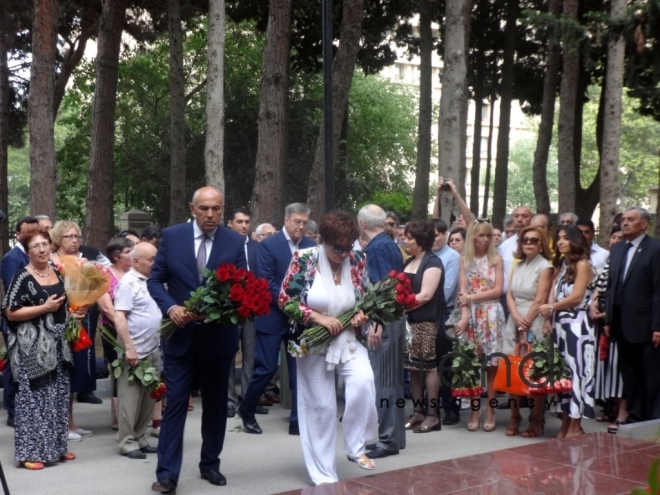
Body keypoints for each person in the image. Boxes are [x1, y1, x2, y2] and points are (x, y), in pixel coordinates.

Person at [147, 187, 247, 492]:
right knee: (175, 404)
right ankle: (166, 475)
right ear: (193, 208)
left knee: (216, 407)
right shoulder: (172, 236)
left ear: (223, 209)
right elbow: (155, 280)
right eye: (204, 208)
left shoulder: (235, 240)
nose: (210, 215)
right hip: (180, 338)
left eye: (216, 209)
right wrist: (171, 307)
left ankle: (210, 464)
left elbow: (242, 286)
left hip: (218, 340)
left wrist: (218, 310)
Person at [280, 210, 377, 484]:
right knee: (321, 407)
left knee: (363, 382)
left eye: (349, 246)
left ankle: (355, 446)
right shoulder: (304, 259)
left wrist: (362, 315)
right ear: (322, 240)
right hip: (313, 341)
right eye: (338, 247)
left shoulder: (358, 259)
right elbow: (285, 299)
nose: (345, 253)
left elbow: (365, 298)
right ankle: (323, 473)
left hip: (347, 338)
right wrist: (317, 317)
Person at [3, 225, 83, 469]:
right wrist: (44, 308)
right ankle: (30, 453)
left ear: (51, 246)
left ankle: (56, 447)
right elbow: (10, 312)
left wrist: (74, 315)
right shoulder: (22, 276)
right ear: (27, 251)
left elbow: (63, 305)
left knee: (57, 397)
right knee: (34, 400)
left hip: (59, 344)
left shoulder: (57, 271)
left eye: (45, 244)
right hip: (31, 349)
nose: (41, 249)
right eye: (35, 246)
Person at [238, 203, 315, 436]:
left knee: (298, 370)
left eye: (304, 222)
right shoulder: (270, 245)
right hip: (273, 317)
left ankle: (297, 419)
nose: (301, 227)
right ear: (286, 220)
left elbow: (313, 279)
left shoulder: (311, 245)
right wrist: (290, 305)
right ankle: (247, 410)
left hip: (300, 321)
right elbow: (267, 282)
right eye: (297, 222)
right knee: (266, 368)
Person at [357, 205, 405, 459]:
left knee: (384, 381)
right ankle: (395, 437)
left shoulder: (376, 248)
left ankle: (388, 441)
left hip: (384, 320)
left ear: (362, 225)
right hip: (394, 318)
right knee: (392, 381)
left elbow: (383, 288)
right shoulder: (389, 243)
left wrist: (376, 323)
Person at [604, 207, 660, 423]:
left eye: (631, 220)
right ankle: (634, 416)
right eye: (624, 220)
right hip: (620, 323)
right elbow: (611, 287)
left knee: (651, 373)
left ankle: (654, 418)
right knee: (628, 372)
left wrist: (657, 326)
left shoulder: (654, 249)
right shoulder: (618, 249)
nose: (625, 223)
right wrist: (609, 319)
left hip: (646, 324)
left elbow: (658, 290)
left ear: (644, 224)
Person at [50, 220, 105, 441]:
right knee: (61, 374)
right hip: (60, 323)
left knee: (73, 373)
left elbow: (95, 287)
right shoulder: (53, 262)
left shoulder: (82, 261)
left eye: (77, 236)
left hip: (80, 320)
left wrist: (85, 304)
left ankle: (71, 422)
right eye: (69, 237)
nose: (75, 241)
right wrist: (69, 309)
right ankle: (61, 425)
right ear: (57, 239)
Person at [539, 224, 596, 437]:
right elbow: (553, 292)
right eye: (559, 238)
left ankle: (575, 424)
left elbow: (577, 296)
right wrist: (548, 318)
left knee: (578, 373)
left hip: (578, 325)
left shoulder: (583, 264)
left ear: (576, 240)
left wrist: (552, 307)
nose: (561, 241)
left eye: (566, 238)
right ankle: (565, 422)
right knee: (562, 374)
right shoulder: (561, 264)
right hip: (560, 324)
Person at [502, 226, 553, 438]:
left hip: (534, 319)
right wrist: (514, 315)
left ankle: (536, 417)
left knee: (534, 371)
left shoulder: (545, 266)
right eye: (525, 240)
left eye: (533, 240)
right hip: (514, 319)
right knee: (511, 370)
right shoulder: (519, 265)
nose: (529, 244)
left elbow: (541, 298)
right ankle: (515, 416)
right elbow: (509, 294)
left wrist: (527, 322)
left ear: (541, 243)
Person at [456, 219, 505, 432]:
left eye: (488, 235)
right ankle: (475, 410)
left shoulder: (496, 259)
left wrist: (471, 297)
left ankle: (491, 409)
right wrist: (465, 316)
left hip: (492, 313)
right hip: (473, 315)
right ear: (472, 237)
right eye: (480, 235)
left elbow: (498, 290)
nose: (485, 239)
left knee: (491, 365)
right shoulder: (464, 260)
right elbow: (462, 293)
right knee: (473, 365)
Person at [114, 242, 161, 460]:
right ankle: (126, 442)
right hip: (134, 352)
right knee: (130, 400)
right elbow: (119, 316)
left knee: (147, 399)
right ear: (135, 261)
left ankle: (140, 438)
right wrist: (129, 348)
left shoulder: (152, 281)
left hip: (152, 348)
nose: (155, 262)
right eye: (151, 259)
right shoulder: (128, 283)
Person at [402, 220, 445, 433]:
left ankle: (432, 414)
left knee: (428, 367)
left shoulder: (432, 262)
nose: (405, 240)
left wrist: (401, 305)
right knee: (413, 368)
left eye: (409, 237)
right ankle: (418, 412)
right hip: (409, 321)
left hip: (426, 321)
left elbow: (426, 295)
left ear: (419, 240)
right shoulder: (409, 260)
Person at [1, 216, 39, 428]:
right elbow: (15, 292)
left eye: (36, 230)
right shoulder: (11, 258)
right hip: (17, 322)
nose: (33, 234)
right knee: (14, 366)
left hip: (39, 322)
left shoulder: (43, 255)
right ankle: (13, 411)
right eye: (28, 232)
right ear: (18, 235)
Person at [97, 237, 135, 430]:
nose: (133, 255)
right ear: (116, 255)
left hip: (138, 331)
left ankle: (137, 417)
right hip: (113, 331)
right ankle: (120, 420)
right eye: (129, 251)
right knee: (119, 373)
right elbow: (108, 309)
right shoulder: (105, 275)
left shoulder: (136, 273)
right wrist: (125, 326)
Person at [225, 207, 260, 419]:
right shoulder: (224, 246)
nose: (244, 225)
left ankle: (248, 400)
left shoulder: (257, 248)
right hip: (229, 309)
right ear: (230, 223)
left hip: (253, 310)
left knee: (251, 355)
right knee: (229, 354)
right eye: (239, 221)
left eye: (247, 221)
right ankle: (229, 401)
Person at [590, 225, 625, 432]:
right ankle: (611, 407)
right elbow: (596, 288)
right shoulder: (608, 263)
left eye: (621, 237)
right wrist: (593, 304)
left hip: (618, 323)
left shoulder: (624, 263)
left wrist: (607, 314)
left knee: (619, 369)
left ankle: (623, 412)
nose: (616, 240)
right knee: (607, 368)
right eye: (613, 237)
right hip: (601, 323)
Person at [431, 218, 461, 425]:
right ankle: (428, 407)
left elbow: (447, 289)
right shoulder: (424, 254)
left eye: (437, 235)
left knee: (445, 363)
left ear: (445, 235)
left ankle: (450, 407)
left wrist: (423, 297)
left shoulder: (452, 257)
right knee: (425, 364)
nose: (433, 239)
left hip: (445, 315)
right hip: (423, 315)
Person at [498, 206, 533, 319]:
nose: (519, 219)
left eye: (524, 216)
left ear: (531, 219)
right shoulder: (504, 246)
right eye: (516, 216)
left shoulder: (539, 244)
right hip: (506, 301)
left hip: (531, 302)